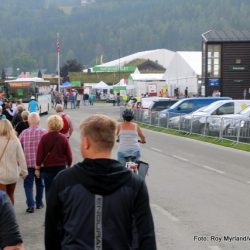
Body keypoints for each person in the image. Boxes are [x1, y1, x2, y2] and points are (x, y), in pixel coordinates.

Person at [45, 114, 156, 250]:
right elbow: (145, 237)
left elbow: (52, 233)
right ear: (113, 142)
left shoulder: (64, 181)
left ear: (86, 143)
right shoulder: (134, 183)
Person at [36, 115, 72, 203]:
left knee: (48, 189)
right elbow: (69, 155)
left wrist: (37, 168)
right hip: (61, 168)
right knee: (61, 190)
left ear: (49, 124)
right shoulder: (63, 138)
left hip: (48, 168)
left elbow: (40, 154)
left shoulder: (44, 138)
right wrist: (69, 164)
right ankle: (60, 210)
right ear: (60, 125)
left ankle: (50, 211)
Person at [19, 113, 46, 213]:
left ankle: (30, 205)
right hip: (40, 164)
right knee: (40, 183)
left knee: (28, 185)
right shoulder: (44, 132)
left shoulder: (24, 133)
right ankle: (39, 203)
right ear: (38, 121)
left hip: (27, 163)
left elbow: (18, 147)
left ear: (28, 121)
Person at [0, 119, 27, 204]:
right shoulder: (15, 140)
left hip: (1, 175)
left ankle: (4, 215)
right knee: (10, 195)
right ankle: (10, 214)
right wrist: (24, 171)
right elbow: (21, 157)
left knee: (2, 198)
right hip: (13, 173)